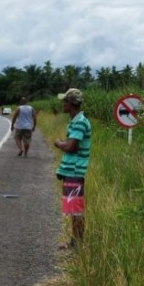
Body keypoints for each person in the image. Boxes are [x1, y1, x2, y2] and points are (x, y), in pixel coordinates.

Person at [54, 88, 91, 248]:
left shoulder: (80, 122)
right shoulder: (76, 121)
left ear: (71, 103)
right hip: (72, 170)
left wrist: (58, 143)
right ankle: (74, 242)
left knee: (75, 209)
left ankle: (77, 244)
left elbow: (71, 147)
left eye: (65, 101)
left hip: (75, 170)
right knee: (73, 207)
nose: (63, 104)